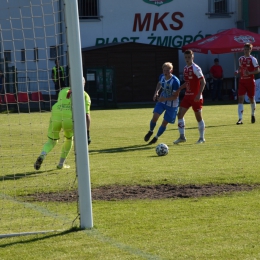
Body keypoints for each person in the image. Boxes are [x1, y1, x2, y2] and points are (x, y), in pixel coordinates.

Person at [34, 77, 91, 170]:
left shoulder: (63, 91)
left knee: (51, 141)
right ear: (84, 84)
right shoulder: (84, 95)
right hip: (69, 118)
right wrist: (87, 133)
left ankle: (42, 155)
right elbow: (87, 115)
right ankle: (61, 164)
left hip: (56, 115)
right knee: (69, 139)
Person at [173, 49, 206, 144]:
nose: (187, 59)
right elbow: (187, 83)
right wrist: (179, 89)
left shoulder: (196, 68)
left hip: (195, 97)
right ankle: (182, 137)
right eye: (186, 57)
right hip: (187, 96)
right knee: (179, 115)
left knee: (198, 117)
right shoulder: (185, 68)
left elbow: (203, 82)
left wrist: (199, 94)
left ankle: (201, 138)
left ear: (193, 57)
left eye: (189, 57)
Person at [144, 62, 180, 145]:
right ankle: (150, 131)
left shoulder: (175, 81)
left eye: (168, 70)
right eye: (164, 70)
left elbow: (175, 96)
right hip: (162, 101)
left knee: (164, 123)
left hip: (172, 105)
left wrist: (165, 98)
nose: (166, 72)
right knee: (155, 117)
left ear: (171, 70)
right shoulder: (161, 77)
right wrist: (156, 92)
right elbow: (159, 83)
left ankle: (156, 137)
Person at [235, 43, 260, 125]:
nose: (245, 51)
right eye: (245, 49)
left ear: (250, 50)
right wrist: (237, 71)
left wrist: (250, 72)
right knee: (240, 99)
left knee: (251, 99)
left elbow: (258, 70)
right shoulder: (240, 59)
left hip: (250, 81)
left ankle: (253, 114)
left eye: (247, 49)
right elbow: (240, 68)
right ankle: (240, 119)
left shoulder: (253, 59)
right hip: (242, 81)